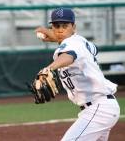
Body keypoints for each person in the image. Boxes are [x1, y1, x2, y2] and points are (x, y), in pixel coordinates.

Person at [35, 8, 120, 141]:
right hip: (101, 108)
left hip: (99, 110)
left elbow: (70, 55)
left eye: (65, 25)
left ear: (73, 27)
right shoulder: (80, 41)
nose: (61, 29)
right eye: (57, 26)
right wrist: (56, 39)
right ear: (52, 27)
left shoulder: (72, 44)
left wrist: (48, 69)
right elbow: (93, 49)